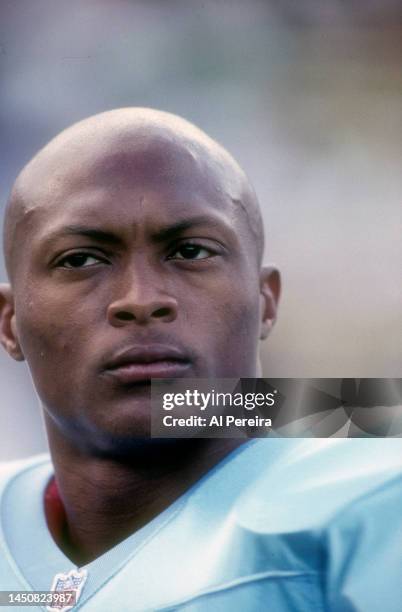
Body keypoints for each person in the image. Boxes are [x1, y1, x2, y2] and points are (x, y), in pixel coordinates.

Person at [0, 108, 400, 611]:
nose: (140, 298)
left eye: (191, 251)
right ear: (8, 322)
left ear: (266, 300)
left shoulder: (371, 499)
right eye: (80, 259)